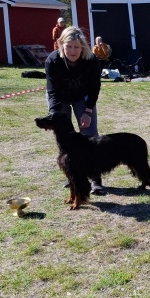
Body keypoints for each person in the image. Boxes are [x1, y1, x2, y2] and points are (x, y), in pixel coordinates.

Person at [45, 25, 105, 194]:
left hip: (82, 97)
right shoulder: (52, 61)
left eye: (76, 47)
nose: (73, 51)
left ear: (82, 47)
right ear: (61, 45)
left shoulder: (91, 60)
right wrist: (54, 116)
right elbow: (52, 91)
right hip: (60, 98)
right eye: (69, 46)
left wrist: (88, 111)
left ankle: (95, 179)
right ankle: (72, 175)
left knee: (89, 135)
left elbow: (94, 87)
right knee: (66, 138)